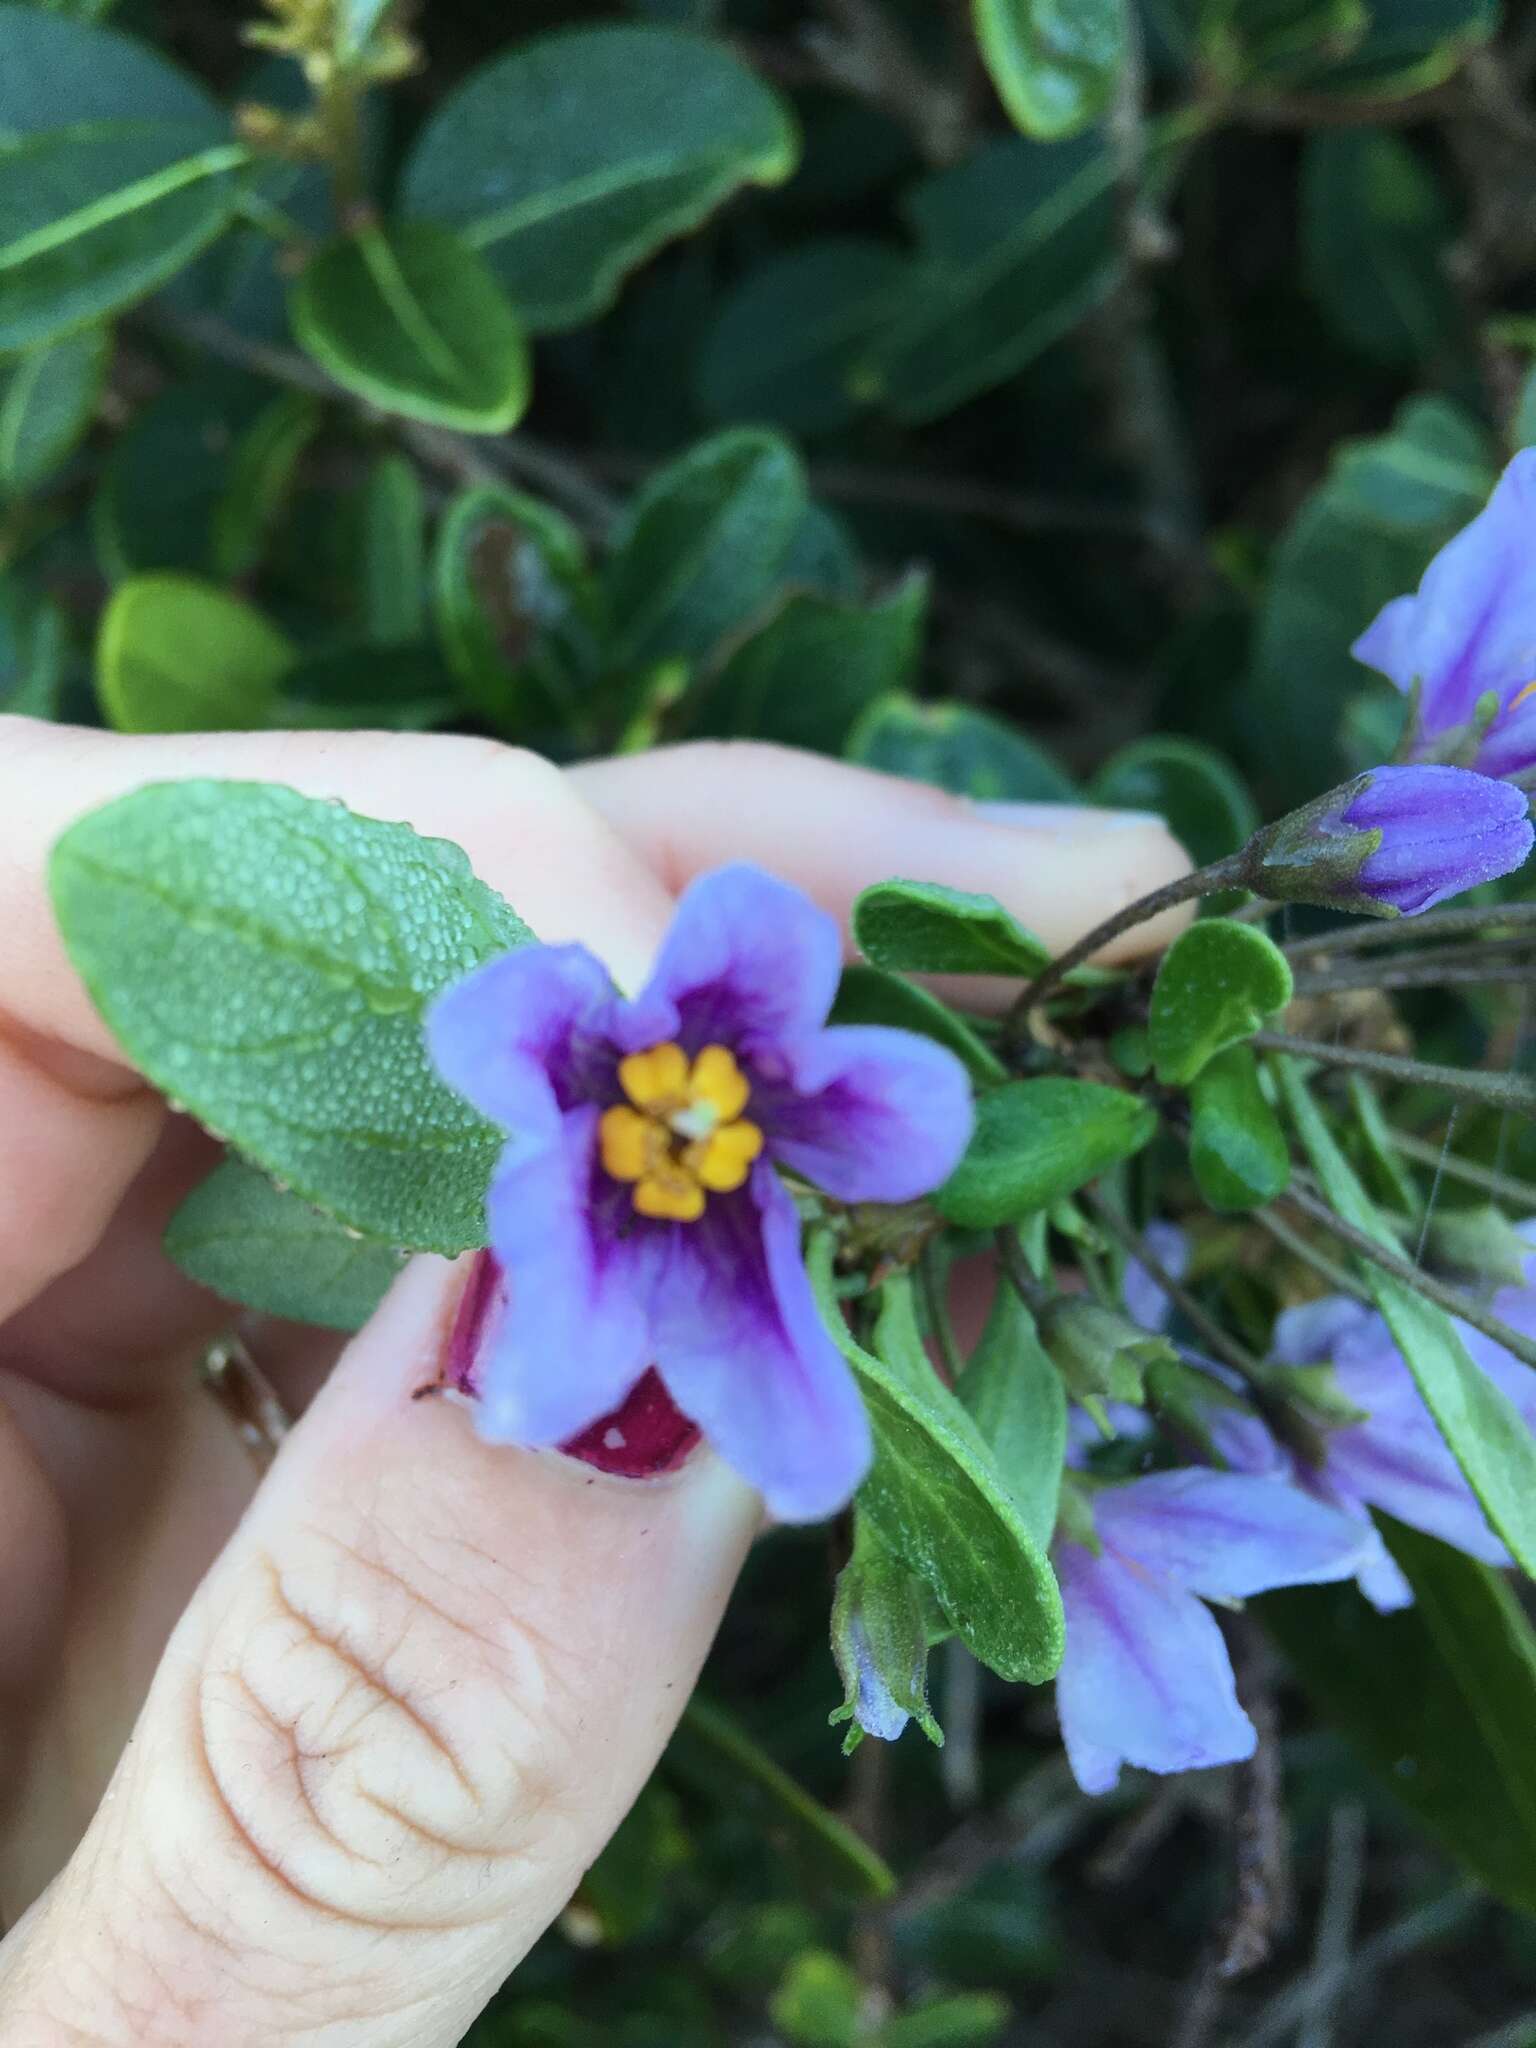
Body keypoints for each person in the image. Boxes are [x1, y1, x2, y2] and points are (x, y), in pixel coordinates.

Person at [0, 718, 1189, 2047]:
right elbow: (557, 1001)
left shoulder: (674, 1113)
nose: (689, 1129)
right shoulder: (625, 1082)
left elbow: (852, 1059)